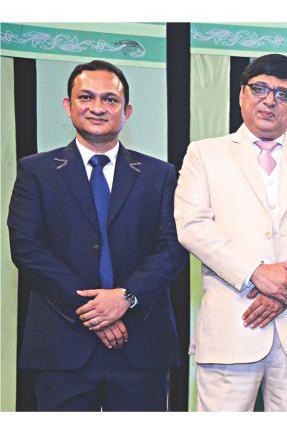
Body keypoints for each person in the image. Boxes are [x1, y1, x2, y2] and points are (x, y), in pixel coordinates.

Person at [175, 53, 287, 412]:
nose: (270, 100)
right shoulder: (204, 155)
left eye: (283, 94)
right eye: (259, 89)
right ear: (242, 94)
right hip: (231, 329)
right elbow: (192, 226)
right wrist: (255, 272)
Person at [8, 60, 187, 411]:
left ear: (127, 111)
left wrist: (126, 298)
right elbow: (27, 248)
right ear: (68, 105)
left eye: (110, 99)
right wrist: (93, 311)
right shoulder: (36, 171)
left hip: (141, 344)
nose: (97, 107)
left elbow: (172, 249)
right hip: (62, 347)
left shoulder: (160, 174)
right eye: (86, 97)